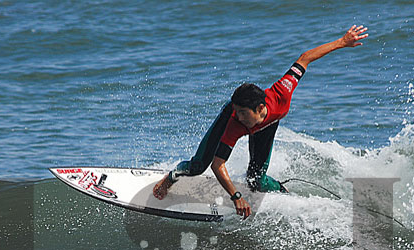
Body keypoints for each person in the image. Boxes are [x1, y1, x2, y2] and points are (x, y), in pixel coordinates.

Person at [153, 25, 368, 219]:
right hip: (240, 123)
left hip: (268, 125)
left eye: (242, 113)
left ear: (260, 108)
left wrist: (342, 42)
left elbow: (305, 58)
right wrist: (236, 197)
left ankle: (283, 191)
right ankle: (171, 177)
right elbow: (217, 165)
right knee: (198, 166)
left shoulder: (282, 92)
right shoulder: (235, 120)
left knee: (257, 181)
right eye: (237, 112)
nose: (239, 116)